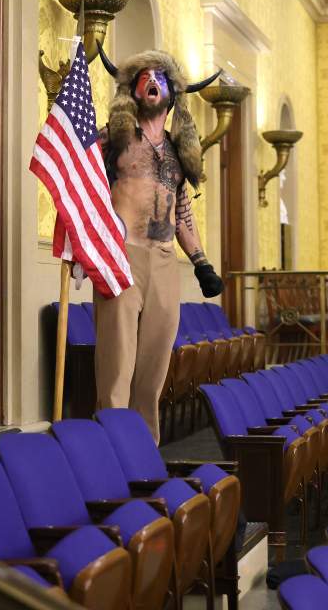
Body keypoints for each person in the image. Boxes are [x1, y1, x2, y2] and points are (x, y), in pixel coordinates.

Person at [93, 47, 224, 440]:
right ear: (132, 90)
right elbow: (85, 190)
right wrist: (87, 247)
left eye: (160, 77)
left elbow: (182, 210)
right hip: (122, 258)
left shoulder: (177, 152)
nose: (152, 81)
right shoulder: (112, 139)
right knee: (117, 365)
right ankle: (110, 450)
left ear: (172, 94)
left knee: (154, 368)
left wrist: (201, 263)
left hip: (165, 263)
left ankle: (144, 450)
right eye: (144, 76)